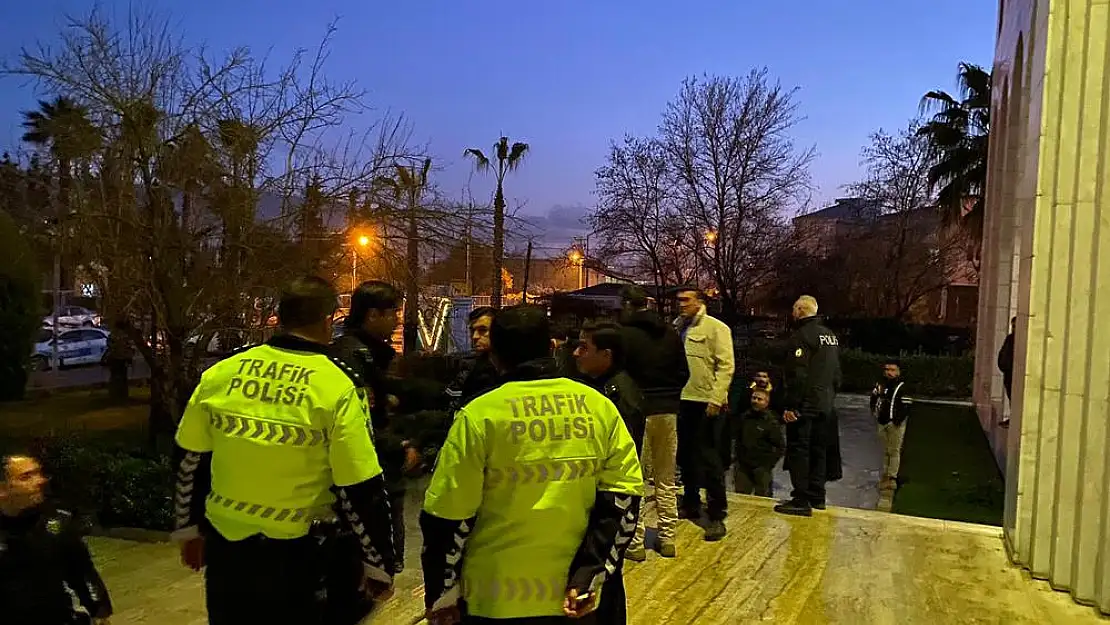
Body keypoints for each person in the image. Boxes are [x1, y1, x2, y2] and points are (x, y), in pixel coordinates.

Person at [172, 276, 395, 625]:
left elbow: (189, 459)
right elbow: (360, 485)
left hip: (228, 552)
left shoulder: (222, 373)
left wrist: (189, 529)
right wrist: (377, 562)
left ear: (280, 317)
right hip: (302, 558)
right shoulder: (338, 384)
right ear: (326, 321)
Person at [420, 306, 643, 625]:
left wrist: (442, 593)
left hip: (492, 599)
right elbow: (623, 501)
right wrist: (588, 575)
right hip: (573, 600)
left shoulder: (479, 415)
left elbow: (446, 516)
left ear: (495, 356)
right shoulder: (599, 407)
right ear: (552, 347)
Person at [331, 280, 419, 574]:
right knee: (374, 558)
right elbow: (360, 420)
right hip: (371, 470)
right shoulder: (354, 356)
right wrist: (398, 445)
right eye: (392, 313)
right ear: (372, 315)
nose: (396, 320)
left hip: (379, 466)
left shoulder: (368, 353)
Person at [572, 319, 643, 622]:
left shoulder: (618, 398)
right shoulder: (600, 389)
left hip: (609, 507)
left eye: (584, 347)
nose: (576, 353)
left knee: (604, 583)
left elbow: (615, 463)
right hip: (597, 504)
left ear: (607, 355)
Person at [0, 450, 113, 625]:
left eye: (38, 473)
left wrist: (99, 611)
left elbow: (81, 571)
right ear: (2, 489)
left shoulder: (57, 523)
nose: (40, 481)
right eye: (26, 477)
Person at [617, 285, 688, 559]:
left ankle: (635, 543)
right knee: (665, 477)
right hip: (668, 411)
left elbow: (620, 375)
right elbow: (684, 371)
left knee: (636, 479)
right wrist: (670, 395)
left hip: (638, 412)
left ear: (627, 305)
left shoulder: (625, 336)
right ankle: (667, 537)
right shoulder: (671, 333)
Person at [674, 288, 734, 541]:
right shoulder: (678, 327)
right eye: (678, 300)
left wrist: (717, 397)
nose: (681, 305)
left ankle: (717, 513)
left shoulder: (715, 328)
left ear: (700, 302)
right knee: (686, 454)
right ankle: (690, 501)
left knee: (710, 458)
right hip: (683, 399)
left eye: (686, 300)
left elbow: (726, 365)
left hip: (705, 401)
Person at [775, 295, 841, 517]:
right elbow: (836, 374)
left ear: (801, 310)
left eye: (794, 308)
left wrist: (792, 406)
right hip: (826, 404)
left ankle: (801, 499)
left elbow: (798, 376)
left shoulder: (801, 336)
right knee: (820, 450)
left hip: (806, 405)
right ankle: (817, 496)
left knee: (800, 450)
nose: (792, 312)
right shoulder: (830, 336)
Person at [445, 306, 501, 413]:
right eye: (472, 330)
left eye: (482, 330)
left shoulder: (509, 366)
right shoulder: (468, 367)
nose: (475, 337)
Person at [732, 388, 785, 497]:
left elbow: (780, 446)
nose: (755, 401)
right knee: (741, 498)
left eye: (759, 399)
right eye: (754, 398)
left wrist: (769, 464)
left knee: (763, 498)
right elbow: (737, 439)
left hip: (762, 468)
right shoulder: (744, 417)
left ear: (766, 402)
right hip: (743, 466)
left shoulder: (772, 422)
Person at [870, 358, 913, 490]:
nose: (889, 372)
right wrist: (874, 412)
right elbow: (873, 398)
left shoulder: (903, 386)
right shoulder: (880, 384)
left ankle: (891, 478)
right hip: (882, 422)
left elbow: (907, 406)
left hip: (895, 424)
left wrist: (897, 421)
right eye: (887, 369)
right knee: (885, 451)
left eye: (892, 370)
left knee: (894, 451)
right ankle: (885, 475)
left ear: (898, 372)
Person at [997, 316, 1016, 426]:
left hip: (1013, 373)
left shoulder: (1018, 340)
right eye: (1012, 326)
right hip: (1008, 373)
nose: (1013, 328)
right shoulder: (1010, 338)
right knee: (1011, 396)